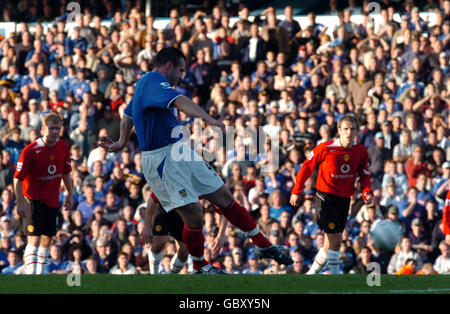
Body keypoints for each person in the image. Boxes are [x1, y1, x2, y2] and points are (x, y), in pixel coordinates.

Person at [99, 47, 293, 274]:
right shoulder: (154, 80)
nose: (181, 76)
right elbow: (180, 101)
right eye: (180, 70)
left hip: (179, 151)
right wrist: (208, 119)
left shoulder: (145, 86)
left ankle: (264, 245)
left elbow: (128, 115)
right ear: (168, 65)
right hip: (161, 158)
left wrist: (122, 141)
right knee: (195, 214)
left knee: (223, 196)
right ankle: (200, 265)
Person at [290, 114, 373, 274]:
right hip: (325, 198)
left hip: (344, 199)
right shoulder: (325, 148)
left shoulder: (360, 151)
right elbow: (306, 166)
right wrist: (296, 190)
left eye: (352, 129)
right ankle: (335, 278)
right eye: (346, 129)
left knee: (329, 244)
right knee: (336, 239)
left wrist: (366, 192)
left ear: (357, 131)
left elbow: (364, 175)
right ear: (339, 131)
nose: (349, 132)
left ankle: (311, 274)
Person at [13, 112, 73, 274]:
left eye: (58, 128)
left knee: (47, 238)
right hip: (32, 199)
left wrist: (70, 194)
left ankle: (41, 275)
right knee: (34, 238)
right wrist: (20, 201)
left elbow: (66, 173)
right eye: (52, 128)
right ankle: (31, 276)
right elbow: (17, 179)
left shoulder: (63, 146)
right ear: (43, 129)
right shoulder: (30, 150)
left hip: (52, 200)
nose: (55, 132)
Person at [147, 192, 227, 274]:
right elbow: (153, 197)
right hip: (164, 209)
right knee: (159, 242)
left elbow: (224, 206)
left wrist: (221, 235)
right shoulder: (171, 181)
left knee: (184, 252)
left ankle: (170, 276)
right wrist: (146, 226)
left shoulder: (205, 185)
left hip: (184, 214)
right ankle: (154, 275)